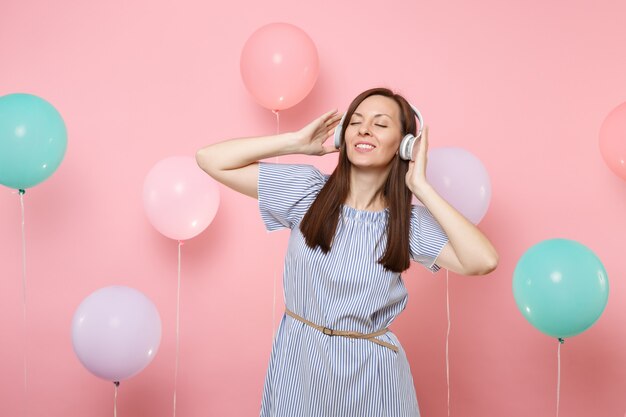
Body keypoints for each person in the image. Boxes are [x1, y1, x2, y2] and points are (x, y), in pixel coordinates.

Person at [196, 87, 498, 417]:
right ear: (343, 135)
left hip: (373, 378)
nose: (365, 129)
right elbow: (209, 160)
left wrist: (421, 187)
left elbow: (483, 260)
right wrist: (294, 142)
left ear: (406, 144)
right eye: (356, 121)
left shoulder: (406, 223)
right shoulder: (307, 191)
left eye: (380, 124)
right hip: (301, 364)